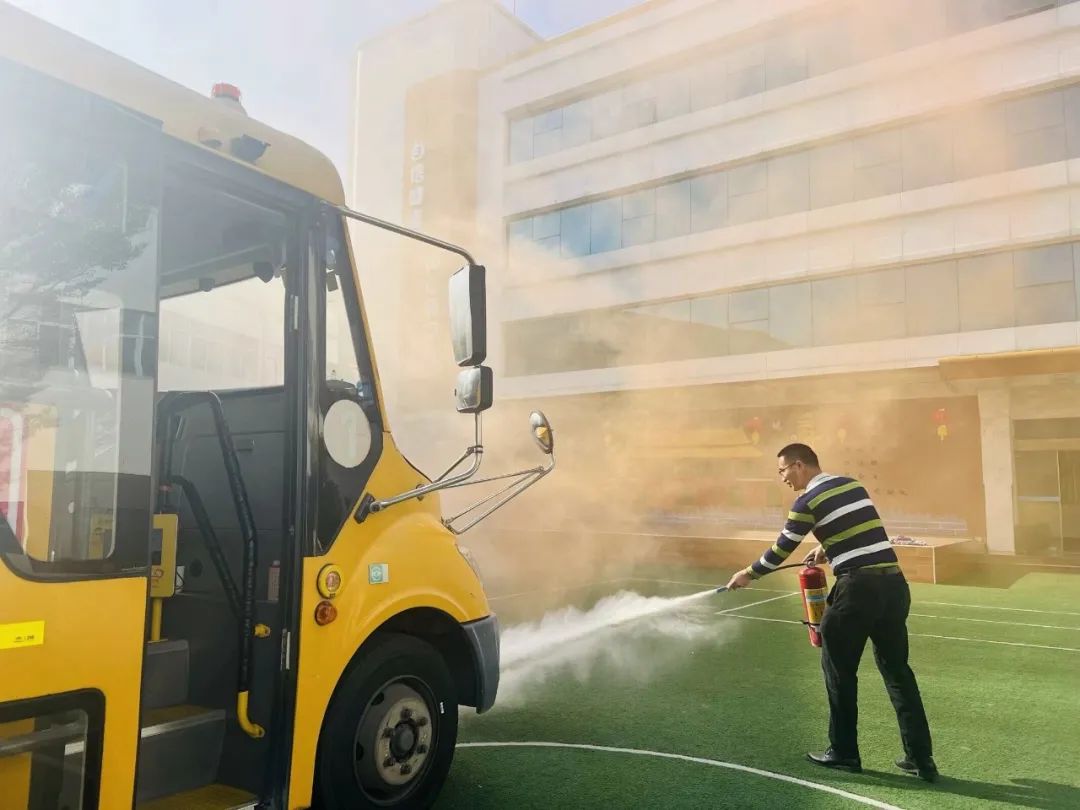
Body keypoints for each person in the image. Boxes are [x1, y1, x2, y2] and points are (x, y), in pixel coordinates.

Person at [724, 443, 938, 782]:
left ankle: (843, 753)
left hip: (857, 591)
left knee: (839, 671)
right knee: (897, 671)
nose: (782, 479)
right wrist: (826, 547)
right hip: (895, 587)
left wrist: (748, 574)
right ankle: (921, 758)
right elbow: (860, 526)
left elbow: (782, 548)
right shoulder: (852, 485)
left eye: (782, 471)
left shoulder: (805, 502)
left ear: (797, 466)